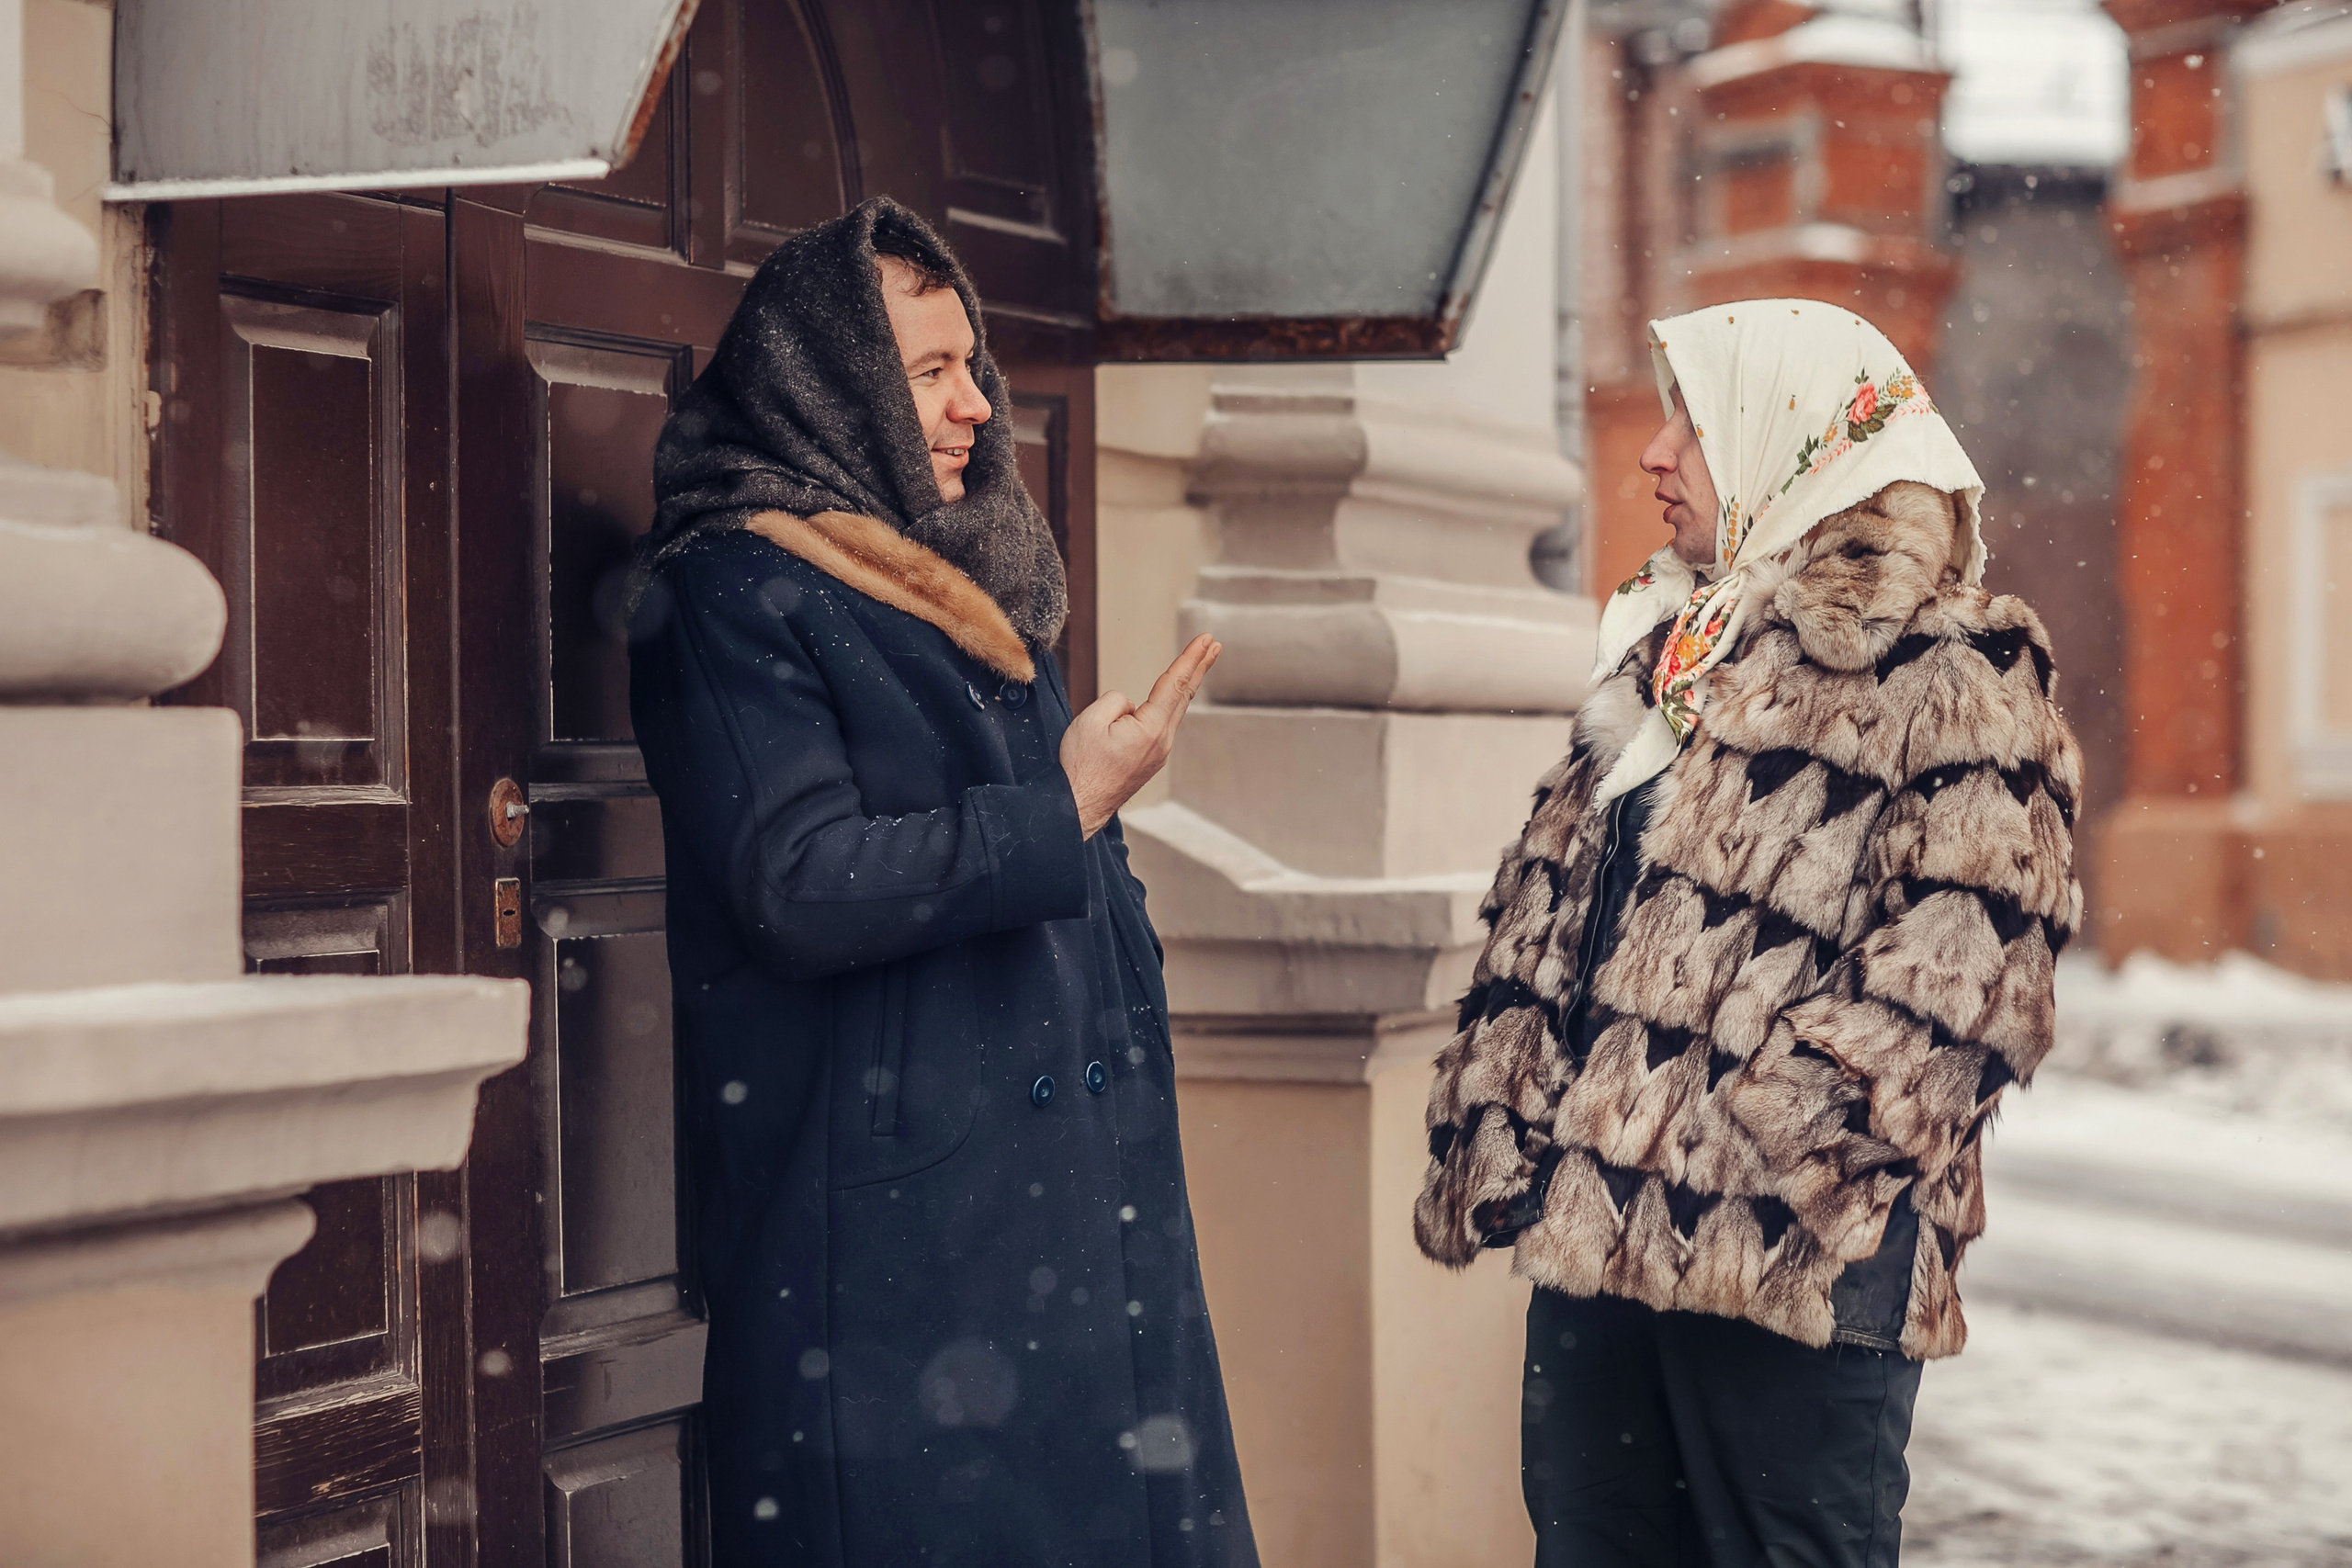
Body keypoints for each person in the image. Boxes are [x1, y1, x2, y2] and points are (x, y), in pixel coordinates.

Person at [629, 197, 1258, 1568]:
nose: (976, 403)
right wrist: (1069, 803)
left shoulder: (972, 574)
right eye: (930, 372)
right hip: (908, 1242)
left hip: (1075, 1205)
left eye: (972, 365)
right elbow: (796, 882)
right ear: (832, 384)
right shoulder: (736, 588)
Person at [1414, 300, 2083, 1566]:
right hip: (1597, 1263)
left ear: (1800, 441)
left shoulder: (1950, 675)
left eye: (1695, 423)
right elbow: (1555, 921)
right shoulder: (1669, 663)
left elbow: (1978, 972)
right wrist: (1510, 1112)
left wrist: (1763, 1155)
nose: (1654, 456)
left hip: (1792, 1281)